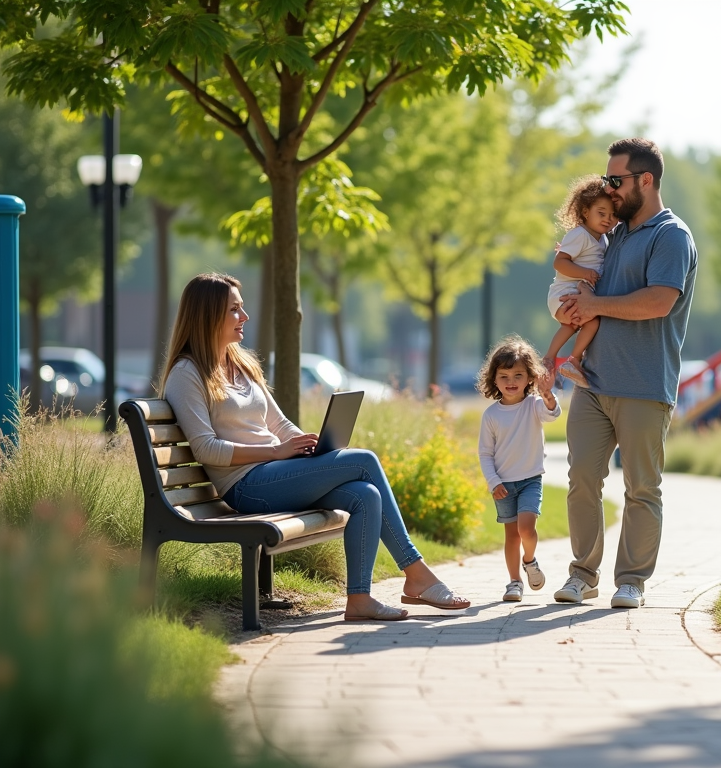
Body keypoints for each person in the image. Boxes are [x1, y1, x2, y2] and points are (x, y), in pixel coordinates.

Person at [160, 273, 470, 622]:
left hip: (274, 473)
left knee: (365, 494)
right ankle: (416, 574)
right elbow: (206, 449)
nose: (244, 317)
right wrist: (276, 452)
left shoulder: (241, 363)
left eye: (242, 308)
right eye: (235, 310)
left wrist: (307, 444)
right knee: (365, 460)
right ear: (207, 315)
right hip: (246, 485)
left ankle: (360, 600)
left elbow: (278, 424)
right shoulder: (187, 374)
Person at [552, 138, 698, 610]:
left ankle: (631, 580)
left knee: (640, 488)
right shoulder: (609, 234)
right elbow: (574, 273)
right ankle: (582, 575)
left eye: (616, 181)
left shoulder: (671, 236)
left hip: (643, 385)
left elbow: (659, 301)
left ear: (645, 181)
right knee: (581, 481)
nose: (608, 190)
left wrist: (594, 304)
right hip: (592, 383)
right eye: (607, 180)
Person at [477, 335, 560, 602]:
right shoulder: (491, 416)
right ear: (494, 379)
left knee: (527, 529)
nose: (511, 382)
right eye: (504, 376)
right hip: (503, 485)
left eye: (518, 375)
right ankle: (514, 582)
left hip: (530, 480)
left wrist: (547, 395)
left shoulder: (533, 406)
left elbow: (552, 414)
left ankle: (530, 560)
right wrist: (493, 482)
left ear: (530, 378)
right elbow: (485, 454)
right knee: (511, 535)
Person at [543, 175, 618, 388]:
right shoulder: (580, 234)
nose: (607, 219)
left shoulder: (602, 238)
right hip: (564, 292)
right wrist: (585, 273)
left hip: (575, 292)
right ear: (585, 212)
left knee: (573, 324)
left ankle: (552, 358)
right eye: (601, 213)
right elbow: (559, 263)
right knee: (589, 322)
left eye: (613, 215)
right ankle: (572, 360)